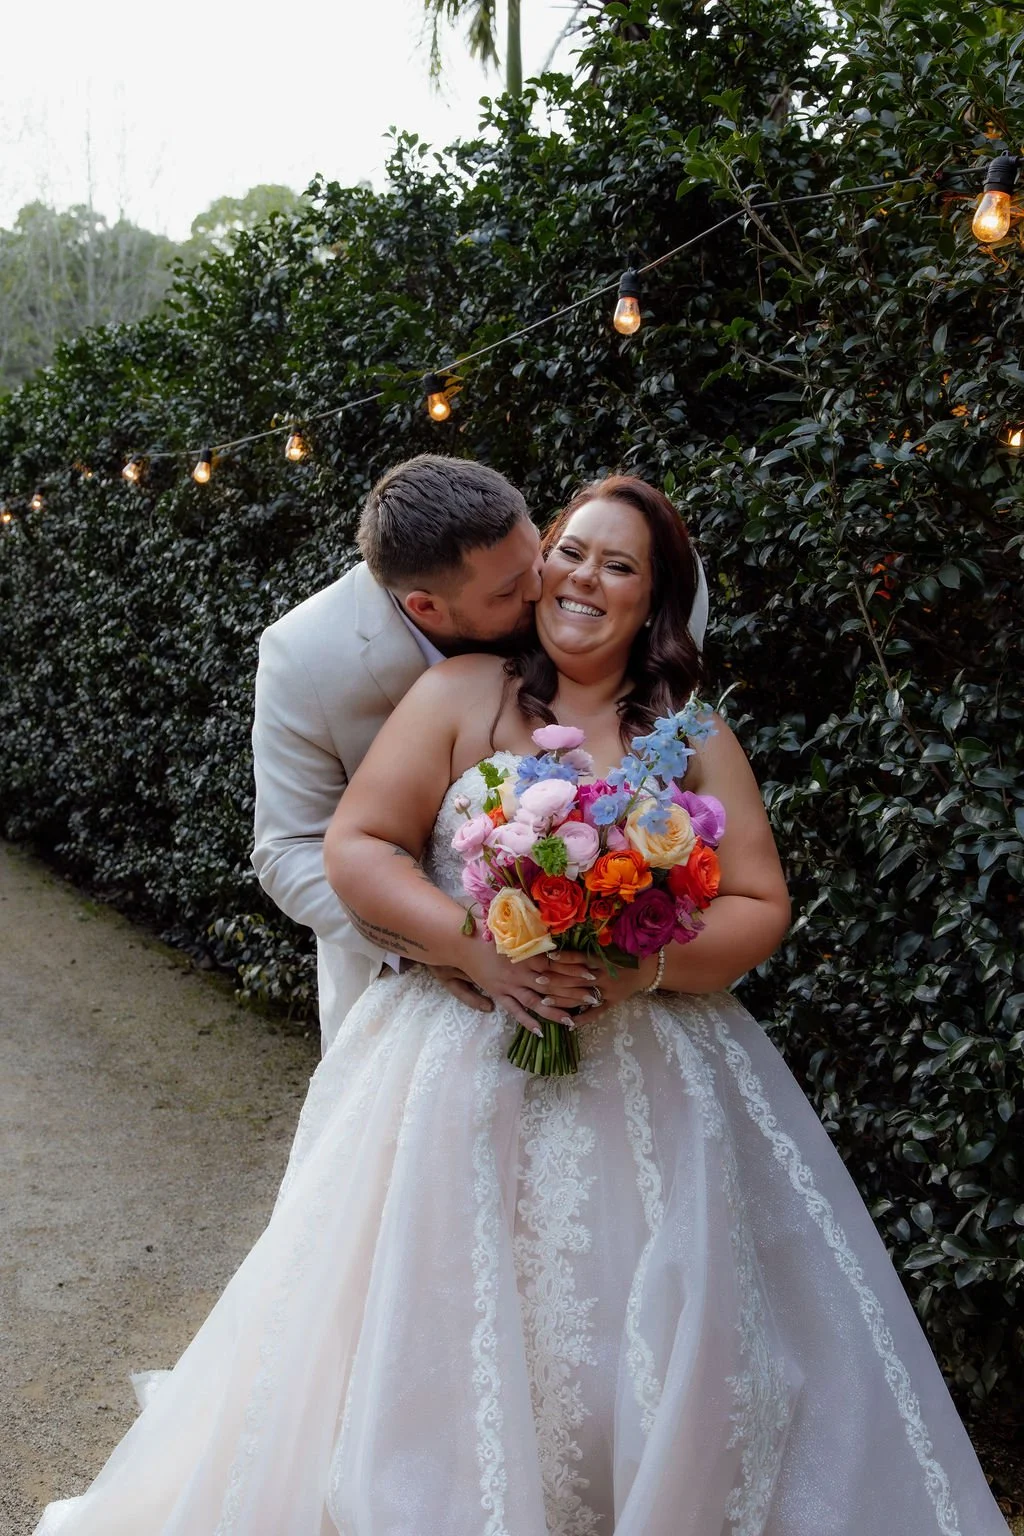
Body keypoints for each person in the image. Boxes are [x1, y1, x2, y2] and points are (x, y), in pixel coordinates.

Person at [35, 477, 1008, 1535]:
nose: (583, 576)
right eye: (572, 551)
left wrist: (642, 967)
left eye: (619, 565)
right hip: (453, 1051)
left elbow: (758, 902)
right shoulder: (459, 691)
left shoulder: (690, 732)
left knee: (650, 1335)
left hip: (652, 1075)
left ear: (654, 599)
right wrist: (474, 949)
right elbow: (355, 845)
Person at [250, 453, 711, 1050]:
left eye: (538, 557)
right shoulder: (306, 657)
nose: (542, 588)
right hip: (417, 987)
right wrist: (445, 943)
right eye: (509, 591)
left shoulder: (530, 571)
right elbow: (289, 849)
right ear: (426, 607)